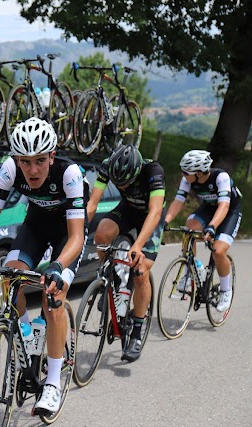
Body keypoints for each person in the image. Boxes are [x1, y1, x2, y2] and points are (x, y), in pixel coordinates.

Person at [0, 117, 88, 416]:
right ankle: (26, 334)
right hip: (35, 226)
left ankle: (52, 383)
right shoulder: (10, 170)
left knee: (53, 298)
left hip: (67, 234)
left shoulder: (69, 174)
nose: (32, 170)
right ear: (16, 159)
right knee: (11, 277)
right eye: (25, 162)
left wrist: (58, 266)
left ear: (51, 156)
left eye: (38, 161)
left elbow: (76, 235)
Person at [86, 144, 166, 363]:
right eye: (118, 182)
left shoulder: (153, 172)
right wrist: (80, 229)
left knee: (140, 271)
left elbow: (156, 211)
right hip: (129, 209)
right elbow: (92, 203)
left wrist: (138, 245)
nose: (122, 185)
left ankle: (137, 332)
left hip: (150, 216)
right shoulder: (106, 166)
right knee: (102, 233)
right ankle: (108, 278)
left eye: (127, 182)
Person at [164, 150, 242, 312]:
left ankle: (226, 290)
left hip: (229, 212)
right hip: (208, 208)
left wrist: (212, 227)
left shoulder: (221, 178)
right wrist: (163, 222)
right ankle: (193, 267)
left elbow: (224, 206)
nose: (183, 174)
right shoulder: (188, 179)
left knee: (218, 251)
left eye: (186, 172)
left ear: (199, 173)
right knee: (189, 230)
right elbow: (178, 201)